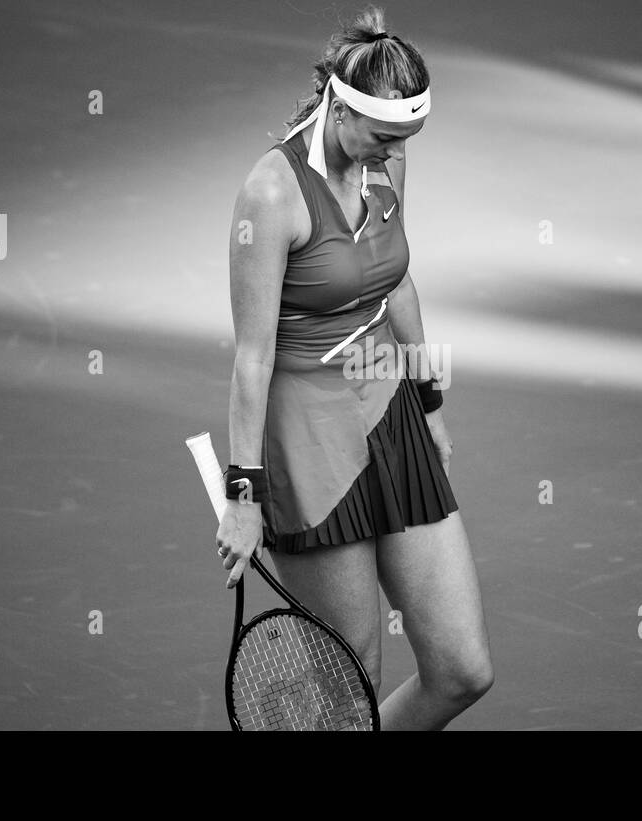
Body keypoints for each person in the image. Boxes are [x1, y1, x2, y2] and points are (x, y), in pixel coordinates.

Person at [214, 7, 493, 730]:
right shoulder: (271, 193)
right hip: (309, 445)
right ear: (339, 106)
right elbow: (252, 358)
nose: (391, 154)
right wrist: (243, 495)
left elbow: (395, 279)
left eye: (404, 141)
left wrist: (428, 402)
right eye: (382, 137)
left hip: (389, 411)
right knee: (351, 689)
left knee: (463, 669)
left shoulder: (385, 156)